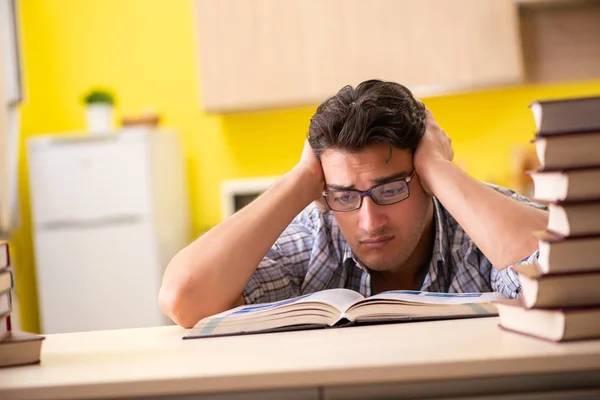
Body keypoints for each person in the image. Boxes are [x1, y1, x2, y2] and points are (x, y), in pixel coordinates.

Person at [159, 80, 548, 328]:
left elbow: (570, 275)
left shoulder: (481, 222)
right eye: (345, 195)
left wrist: (438, 168)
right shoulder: (315, 236)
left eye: (392, 189)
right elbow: (184, 300)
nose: (369, 221)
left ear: (428, 181)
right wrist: (301, 180)